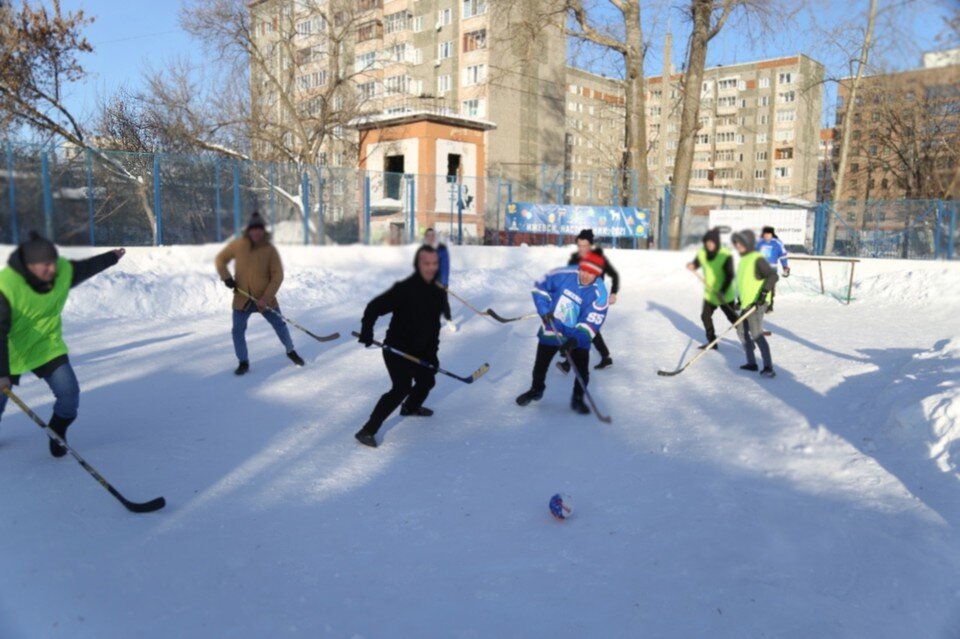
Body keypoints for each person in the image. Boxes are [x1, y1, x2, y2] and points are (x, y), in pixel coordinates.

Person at [0, 232, 125, 457]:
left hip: (45, 345)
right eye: (44, 266)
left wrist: (112, 257)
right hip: (7, 351)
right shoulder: (6, 287)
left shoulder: (59, 273)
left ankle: (57, 431)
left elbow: (85, 268)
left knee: (69, 395)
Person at [354, 245, 447, 448]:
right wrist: (367, 331)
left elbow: (433, 330)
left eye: (434, 264)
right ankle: (367, 430)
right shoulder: (404, 289)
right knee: (401, 387)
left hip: (421, 351)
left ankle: (410, 407)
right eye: (426, 264)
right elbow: (373, 308)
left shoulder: (437, 294)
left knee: (427, 381)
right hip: (397, 349)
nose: (431, 268)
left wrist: (432, 356)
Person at [516, 251, 609, 415]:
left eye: (592, 273)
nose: (587, 276)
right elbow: (540, 287)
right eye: (584, 270)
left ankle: (578, 398)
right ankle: (536, 390)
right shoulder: (564, 274)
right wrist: (544, 310)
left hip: (576, 334)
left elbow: (591, 323)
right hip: (553, 326)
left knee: (581, 371)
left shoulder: (600, 295)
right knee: (540, 365)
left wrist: (575, 340)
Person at [215, 211, 303, 375]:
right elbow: (220, 260)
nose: (256, 232)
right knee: (237, 331)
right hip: (242, 298)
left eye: (259, 229)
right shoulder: (238, 245)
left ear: (263, 231)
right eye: (253, 229)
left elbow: (278, 275)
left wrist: (266, 298)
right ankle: (243, 362)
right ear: (248, 230)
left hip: (265, 299)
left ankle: (290, 351)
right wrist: (227, 278)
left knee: (280, 325)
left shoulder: (270, 250)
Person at [557, 228, 618, 371]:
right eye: (579, 245)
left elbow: (614, 275)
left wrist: (613, 293)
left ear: (590, 245)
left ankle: (569, 362)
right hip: (578, 298)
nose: (581, 248)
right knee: (577, 326)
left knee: (586, 328)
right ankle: (605, 357)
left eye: (584, 246)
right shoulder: (574, 259)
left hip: (595, 299)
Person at [731, 229, 779, 378]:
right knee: (740, 330)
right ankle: (751, 362)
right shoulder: (743, 262)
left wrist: (763, 296)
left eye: (740, 243)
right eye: (736, 243)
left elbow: (773, 276)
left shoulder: (757, 258)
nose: (738, 246)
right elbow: (743, 284)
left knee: (756, 333)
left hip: (758, 303)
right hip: (747, 303)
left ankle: (768, 367)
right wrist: (739, 301)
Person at [687, 227, 739, 349]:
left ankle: (748, 338)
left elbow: (730, 274)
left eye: (712, 242)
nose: (709, 244)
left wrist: (722, 291)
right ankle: (712, 342)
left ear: (717, 242)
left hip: (725, 293)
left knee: (733, 318)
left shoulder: (725, 254)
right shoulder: (702, 253)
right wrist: (692, 265)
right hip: (710, 293)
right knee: (705, 316)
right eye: (707, 242)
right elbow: (696, 263)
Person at [756, 226, 790, 312]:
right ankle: (754, 302)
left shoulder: (777, 243)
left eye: (769, 234)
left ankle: (770, 304)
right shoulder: (759, 243)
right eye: (765, 234)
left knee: (770, 286)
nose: (767, 235)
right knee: (756, 285)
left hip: (771, 268)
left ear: (772, 234)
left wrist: (785, 266)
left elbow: (783, 256)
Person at [423, 228, 453, 327]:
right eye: (428, 236)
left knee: (443, 301)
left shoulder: (441, 249)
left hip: (440, 279)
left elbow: (445, 266)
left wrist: (444, 282)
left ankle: (448, 319)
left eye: (432, 235)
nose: (430, 238)